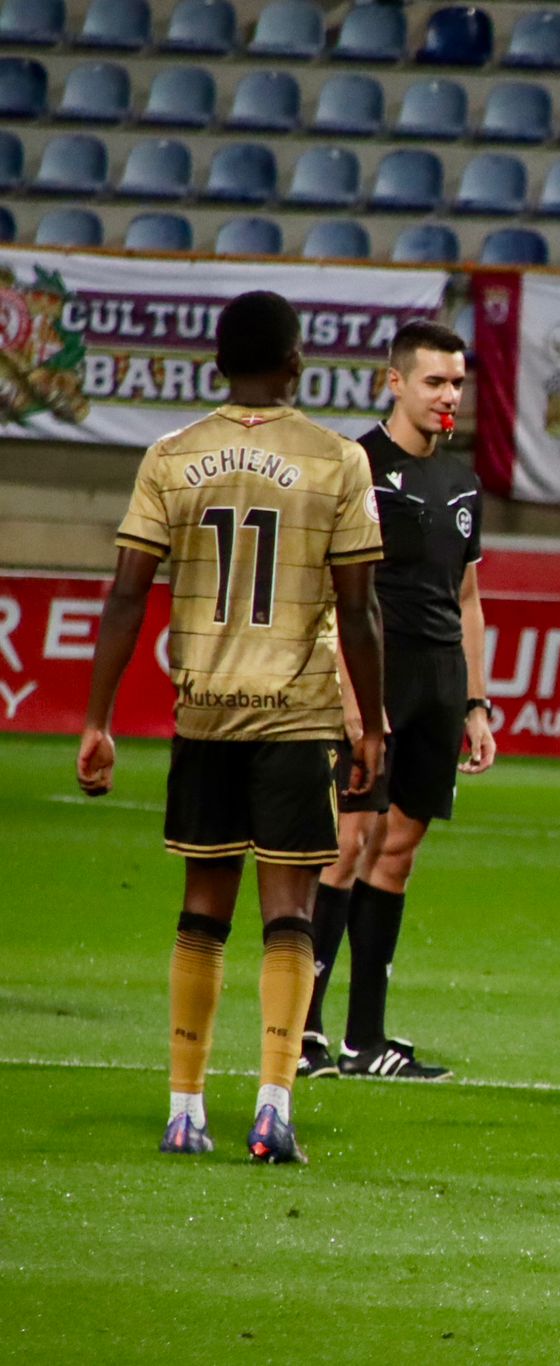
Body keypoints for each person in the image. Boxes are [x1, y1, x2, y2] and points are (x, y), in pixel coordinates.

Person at [77, 290, 386, 1164]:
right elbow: (359, 612)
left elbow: (127, 594)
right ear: (296, 364)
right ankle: (274, 1106)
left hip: (204, 713)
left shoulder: (171, 456)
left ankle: (184, 1108)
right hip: (298, 715)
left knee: (200, 910)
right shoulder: (336, 461)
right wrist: (375, 728)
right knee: (289, 909)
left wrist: (96, 720)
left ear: (217, 365)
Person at [301, 320, 494, 1083]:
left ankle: (365, 1041)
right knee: (348, 845)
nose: (449, 396)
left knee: (399, 853)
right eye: (434, 382)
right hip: (374, 674)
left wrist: (477, 702)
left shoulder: (463, 482)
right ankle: (304, 1033)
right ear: (395, 382)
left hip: (440, 682)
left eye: (457, 383)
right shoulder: (355, 467)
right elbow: (327, 594)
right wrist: (352, 699)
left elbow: (470, 597)